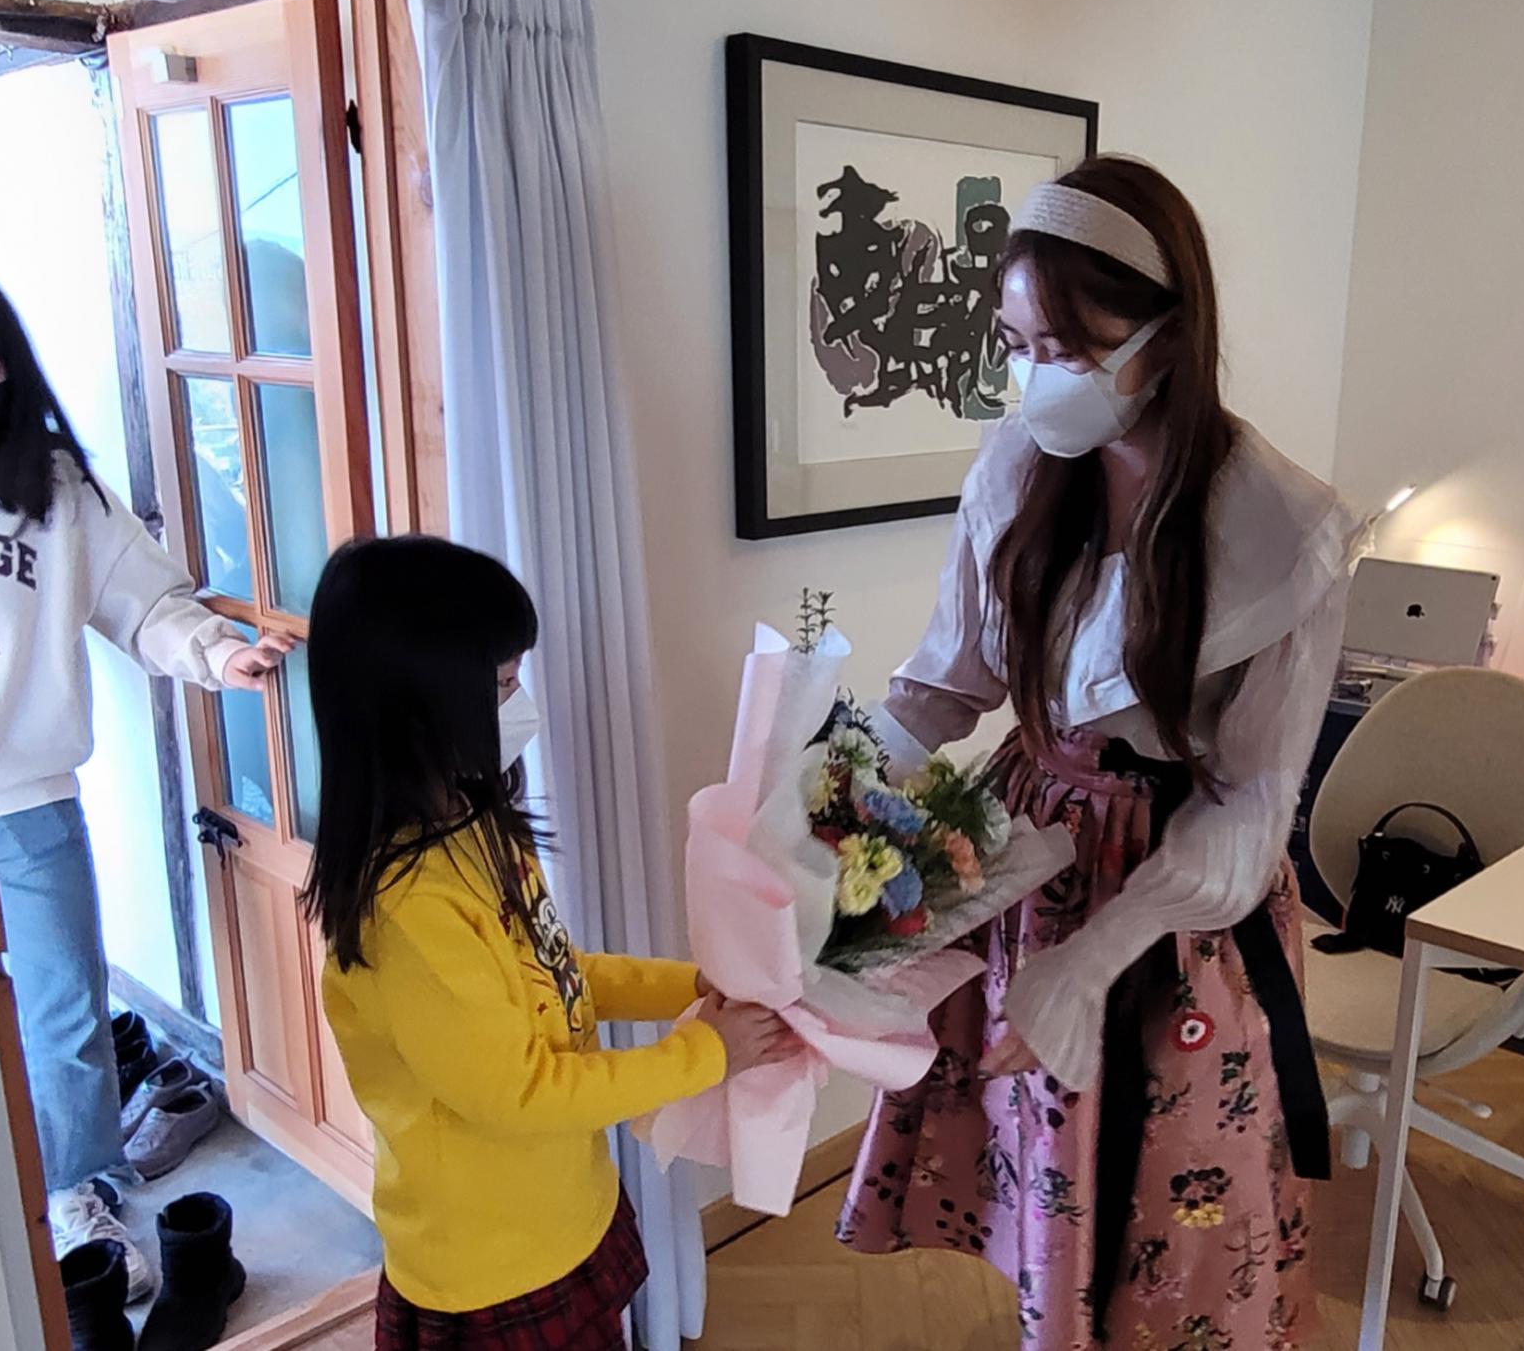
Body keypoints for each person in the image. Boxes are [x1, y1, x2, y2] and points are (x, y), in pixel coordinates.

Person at [835, 158, 1358, 1349]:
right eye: (1017, 344)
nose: (1036, 376)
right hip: (1028, 857)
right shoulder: (1018, 469)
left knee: (1167, 1215)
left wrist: (1097, 957)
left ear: (1167, 338)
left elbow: (1251, 800)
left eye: (1067, 348)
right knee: (1040, 1173)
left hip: (1176, 900)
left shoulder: (1280, 530)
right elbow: (945, 682)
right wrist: (825, 799)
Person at [0, 251, 290, 1298]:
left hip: (26, 801)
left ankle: (79, 1194)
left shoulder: (53, 484)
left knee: (65, 1018)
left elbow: (143, 602)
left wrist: (219, 654)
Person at [303, 535, 795, 1351]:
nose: (522, 703)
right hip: (491, 1265)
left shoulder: (475, 824)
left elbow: (562, 970)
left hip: (564, 1212)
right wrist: (708, 1052)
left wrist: (693, 984)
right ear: (420, 703)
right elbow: (521, 1092)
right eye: (502, 685)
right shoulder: (409, 914)